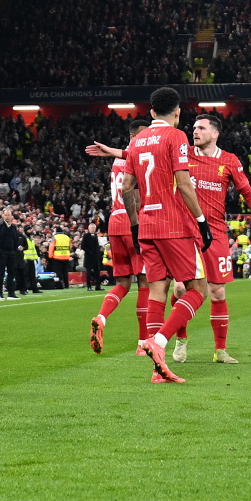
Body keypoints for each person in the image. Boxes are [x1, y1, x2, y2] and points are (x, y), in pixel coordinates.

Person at [122, 87, 212, 384]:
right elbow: (184, 184)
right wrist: (201, 221)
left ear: (150, 113)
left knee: (157, 290)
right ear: (177, 112)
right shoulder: (177, 136)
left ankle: (156, 370)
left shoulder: (136, 142)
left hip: (146, 226)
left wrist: (135, 227)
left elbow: (126, 189)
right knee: (199, 290)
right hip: (174, 225)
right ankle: (158, 342)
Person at [176, 114, 251, 363]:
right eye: (194, 127)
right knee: (179, 288)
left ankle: (220, 350)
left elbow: (247, 192)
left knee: (217, 292)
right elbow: (147, 156)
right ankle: (181, 340)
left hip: (216, 233)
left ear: (215, 133)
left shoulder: (229, 160)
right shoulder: (183, 153)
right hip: (186, 231)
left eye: (201, 128)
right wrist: (116, 152)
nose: (195, 131)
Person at [86, 150, 146, 355]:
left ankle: (101, 317)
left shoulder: (117, 161)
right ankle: (142, 342)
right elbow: (136, 197)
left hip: (115, 222)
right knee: (145, 283)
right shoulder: (140, 156)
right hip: (133, 222)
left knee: (123, 283)